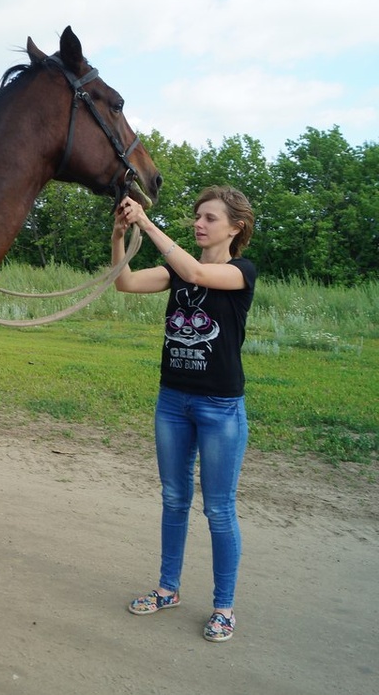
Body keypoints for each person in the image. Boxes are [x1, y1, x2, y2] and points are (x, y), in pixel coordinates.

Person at [111, 186, 257, 643]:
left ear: (235, 228)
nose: (199, 223)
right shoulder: (177, 273)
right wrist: (119, 235)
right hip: (173, 400)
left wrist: (147, 223)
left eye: (210, 218)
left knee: (218, 508)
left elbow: (194, 270)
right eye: (198, 216)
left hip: (219, 407)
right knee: (174, 499)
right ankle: (167, 589)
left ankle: (223, 606)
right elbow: (125, 282)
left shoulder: (240, 272)